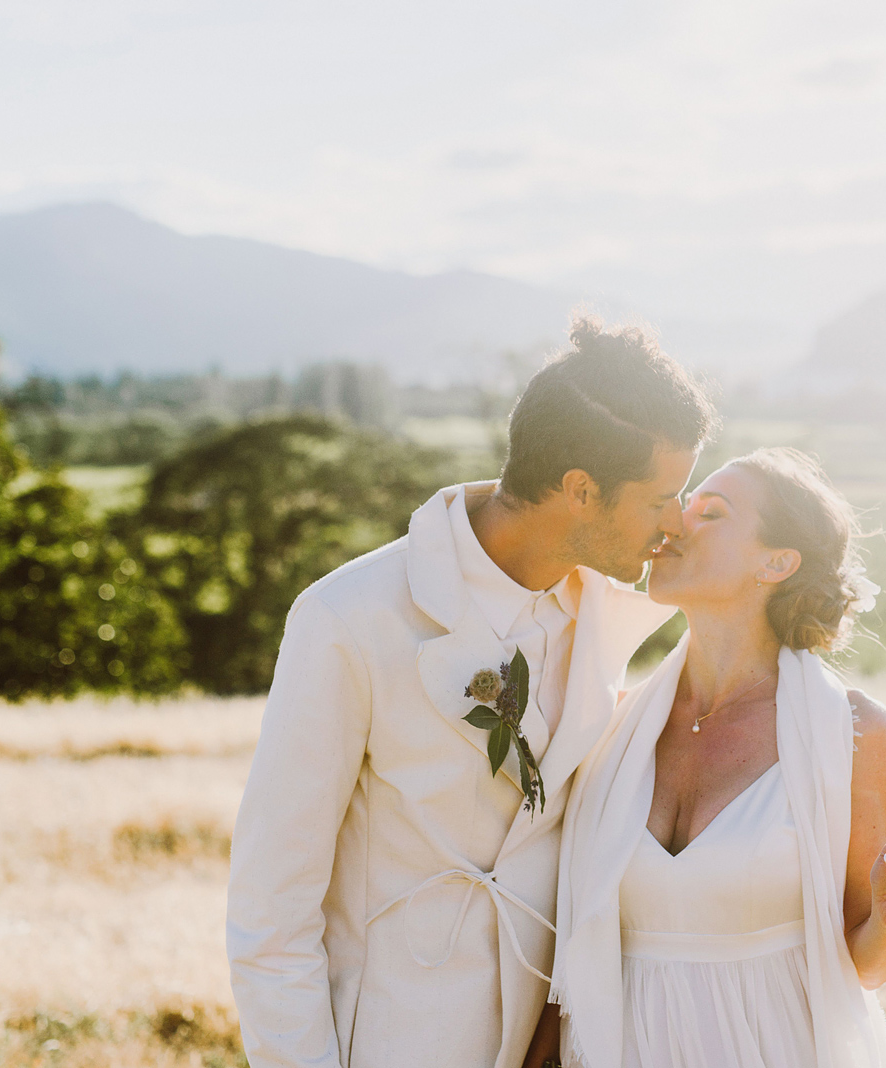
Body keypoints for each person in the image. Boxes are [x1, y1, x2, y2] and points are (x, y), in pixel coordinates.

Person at [225, 318, 717, 1068]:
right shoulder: (348, 619)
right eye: (660, 498)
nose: (675, 523)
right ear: (580, 489)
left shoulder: (621, 613)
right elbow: (270, 909)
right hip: (391, 1037)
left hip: (553, 1044)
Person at [547, 447, 886, 1068]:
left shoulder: (853, 734)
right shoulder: (611, 722)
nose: (676, 522)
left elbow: (865, 962)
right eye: (685, 505)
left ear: (776, 562)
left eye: (712, 512)